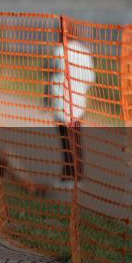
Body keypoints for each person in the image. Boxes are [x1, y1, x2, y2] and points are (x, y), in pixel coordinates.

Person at [45, 38, 95, 191]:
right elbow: (91, 78)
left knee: (66, 142)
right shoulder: (84, 52)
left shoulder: (60, 50)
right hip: (79, 105)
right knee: (76, 140)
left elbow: (50, 72)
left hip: (61, 104)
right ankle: (77, 176)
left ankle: (69, 176)